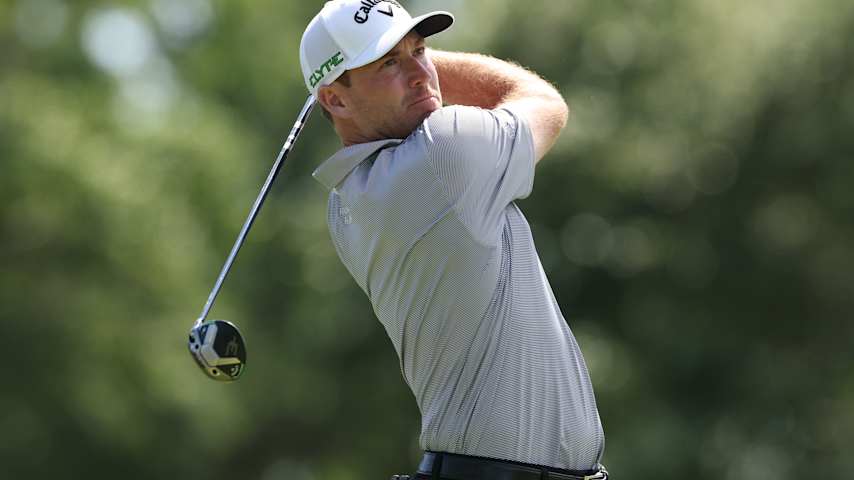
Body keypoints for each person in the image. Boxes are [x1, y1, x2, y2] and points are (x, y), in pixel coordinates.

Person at [300, 1, 608, 479]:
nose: (421, 73)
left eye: (421, 50)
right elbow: (543, 101)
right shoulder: (443, 153)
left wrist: (389, 66)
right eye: (388, 64)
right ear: (335, 100)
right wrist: (429, 62)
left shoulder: (344, 206)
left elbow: (401, 90)